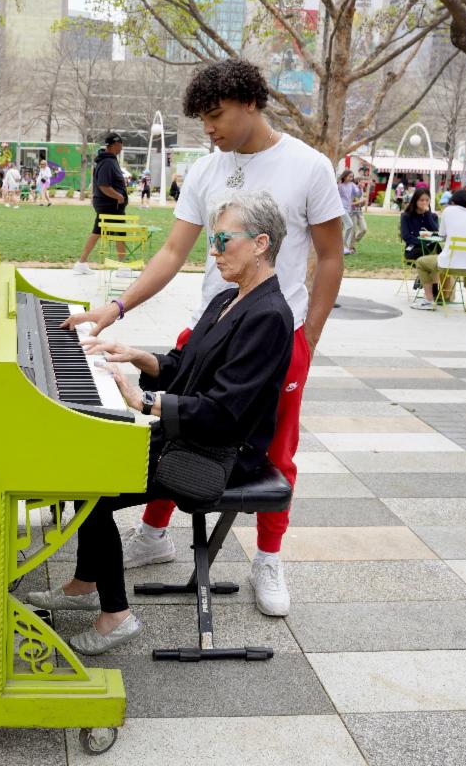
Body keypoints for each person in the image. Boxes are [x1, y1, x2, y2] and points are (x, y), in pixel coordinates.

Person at [63, 58, 344, 618]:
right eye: (202, 119)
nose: (209, 128)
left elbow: (331, 257)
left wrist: (307, 335)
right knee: (181, 422)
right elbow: (172, 253)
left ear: (251, 103)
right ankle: (152, 535)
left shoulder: (308, 166)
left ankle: (268, 557)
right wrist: (115, 308)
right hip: (217, 316)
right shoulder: (206, 169)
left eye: (216, 115)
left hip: (275, 329)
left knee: (274, 450)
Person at [29, 192, 294, 653]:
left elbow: (224, 412)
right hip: (192, 433)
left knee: (94, 480)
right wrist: (136, 356)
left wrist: (145, 402)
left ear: (260, 244)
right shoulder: (229, 298)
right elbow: (183, 366)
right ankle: (84, 583)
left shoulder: (269, 316)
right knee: (87, 454)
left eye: (222, 240)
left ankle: (117, 615)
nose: (213, 250)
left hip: (223, 453)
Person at [411, 189, 466, 312]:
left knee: (421, 262)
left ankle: (429, 300)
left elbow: (442, 234)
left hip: (449, 265)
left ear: (453, 202)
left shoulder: (448, 211)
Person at [72, 133, 130, 274]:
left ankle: (81, 263)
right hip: (111, 205)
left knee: (97, 232)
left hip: (108, 205)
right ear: (116, 144)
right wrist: (119, 197)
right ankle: (122, 266)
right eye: (121, 144)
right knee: (119, 233)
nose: (122, 147)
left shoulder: (108, 161)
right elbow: (104, 185)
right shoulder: (108, 162)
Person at [400, 187, 439, 262]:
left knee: (440, 257)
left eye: (427, 200)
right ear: (415, 201)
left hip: (432, 247)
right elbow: (406, 236)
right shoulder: (406, 216)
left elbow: (436, 233)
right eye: (421, 200)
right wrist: (423, 242)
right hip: (413, 248)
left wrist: (428, 214)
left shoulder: (433, 216)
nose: (425, 203)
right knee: (429, 259)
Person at [337, 169, 363, 255]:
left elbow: (358, 195)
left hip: (348, 209)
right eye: (350, 176)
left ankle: (343, 248)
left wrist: (360, 188)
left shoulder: (352, 185)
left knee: (344, 227)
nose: (351, 178)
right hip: (340, 208)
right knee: (350, 225)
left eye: (352, 177)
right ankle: (344, 246)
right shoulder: (339, 185)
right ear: (345, 176)